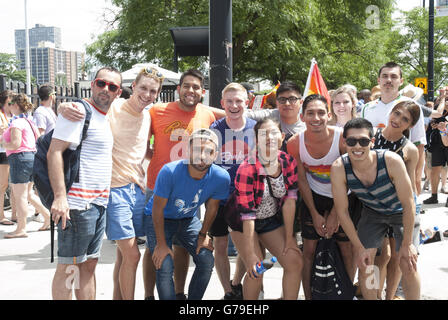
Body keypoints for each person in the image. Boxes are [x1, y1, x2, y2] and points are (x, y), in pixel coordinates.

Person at [58, 67, 164, 300]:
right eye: (143, 88)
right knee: (132, 254)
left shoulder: (149, 115)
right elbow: (85, 106)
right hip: (112, 191)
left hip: (137, 189)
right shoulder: (114, 107)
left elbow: (142, 149)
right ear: (132, 87)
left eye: (152, 91)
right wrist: (63, 106)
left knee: (122, 256)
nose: (147, 94)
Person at [143, 69, 218, 300]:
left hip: (190, 191)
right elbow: (143, 143)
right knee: (153, 247)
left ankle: (179, 293)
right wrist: (156, 161)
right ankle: (148, 295)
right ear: (179, 89)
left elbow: (236, 111)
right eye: (186, 86)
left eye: (196, 87)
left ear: (202, 92)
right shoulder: (156, 111)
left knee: (183, 246)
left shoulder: (207, 114)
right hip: (156, 187)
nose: (191, 91)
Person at [49, 67, 122, 300]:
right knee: (70, 267)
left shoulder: (103, 115)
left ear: (118, 92)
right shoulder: (79, 111)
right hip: (77, 206)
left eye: (112, 87)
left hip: (98, 204)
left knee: (89, 266)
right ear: (92, 84)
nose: (105, 89)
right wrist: (60, 197)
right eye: (101, 83)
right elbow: (54, 152)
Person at [331, 118, 421, 300]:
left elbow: (408, 203)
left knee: (407, 262)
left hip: (401, 211)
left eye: (363, 141)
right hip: (373, 212)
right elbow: (342, 212)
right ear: (344, 142)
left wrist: (407, 244)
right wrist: (360, 247)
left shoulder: (391, 161)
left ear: (372, 142)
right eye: (351, 141)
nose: (358, 146)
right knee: (366, 264)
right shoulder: (339, 167)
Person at [145, 128, 230, 300]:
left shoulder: (221, 177)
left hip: (188, 219)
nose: (202, 156)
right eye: (197, 149)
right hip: (161, 218)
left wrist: (203, 234)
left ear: (216, 154)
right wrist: (161, 245)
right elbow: (157, 209)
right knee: (165, 263)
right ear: (188, 150)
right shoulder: (170, 171)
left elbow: (212, 208)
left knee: (206, 259)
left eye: (209, 151)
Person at [286, 94, 355, 300]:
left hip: (343, 196)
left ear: (329, 115)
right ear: (302, 116)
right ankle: (309, 297)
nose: (316, 118)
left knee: (346, 249)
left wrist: (336, 213)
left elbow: (350, 178)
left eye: (321, 113)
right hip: (314, 197)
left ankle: (347, 294)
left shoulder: (342, 138)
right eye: (310, 113)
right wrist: (315, 214)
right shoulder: (294, 143)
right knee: (308, 250)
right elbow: (302, 181)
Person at [231, 118, 303, 300]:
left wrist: (288, 239)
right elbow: (247, 215)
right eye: (263, 134)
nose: (269, 137)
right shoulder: (247, 168)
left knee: (294, 261)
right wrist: (250, 253)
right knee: (257, 269)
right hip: (242, 222)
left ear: (282, 136)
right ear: (256, 139)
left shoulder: (288, 162)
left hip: (270, 219)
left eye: (273, 132)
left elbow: (289, 202)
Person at [208, 83, 256, 300]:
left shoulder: (256, 128)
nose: (234, 105)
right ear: (222, 104)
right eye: (230, 101)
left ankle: (237, 283)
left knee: (247, 245)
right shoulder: (214, 130)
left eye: (239, 101)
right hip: (218, 198)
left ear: (247, 103)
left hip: (246, 198)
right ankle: (228, 291)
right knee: (220, 243)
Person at [372, 100, 421, 300]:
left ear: (410, 125)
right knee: (379, 257)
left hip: (398, 208)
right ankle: (373, 296)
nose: (398, 120)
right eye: (397, 113)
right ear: (390, 112)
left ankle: (389, 297)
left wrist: (412, 216)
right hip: (372, 208)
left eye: (405, 119)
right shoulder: (370, 137)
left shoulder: (410, 149)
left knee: (399, 257)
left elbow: (410, 187)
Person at [361, 62, 426, 196]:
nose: (389, 80)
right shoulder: (366, 108)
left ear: (401, 81)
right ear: (379, 80)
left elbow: (419, 144)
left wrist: (417, 179)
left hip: (399, 176)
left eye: (394, 76)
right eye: (385, 76)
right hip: (370, 176)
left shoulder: (412, 107)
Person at [0, 93, 50, 238]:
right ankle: (47, 217)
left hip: (19, 158)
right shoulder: (29, 121)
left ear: (15, 105)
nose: (8, 107)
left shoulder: (16, 123)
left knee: (20, 194)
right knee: (28, 194)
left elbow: (15, 144)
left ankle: (21, 228)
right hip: (31, 157)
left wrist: (3, 143)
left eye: (10, 104)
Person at [423, 89, 448, 205]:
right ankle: (434, 196)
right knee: (435, 169)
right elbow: (436, 116)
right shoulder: (439, 106)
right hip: (437, 142)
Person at [0, 90, 15, 226]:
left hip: (13, 151)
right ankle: (1, 215)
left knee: (13, 184)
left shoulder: (13, 114)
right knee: (3, 185)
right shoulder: (1, 115)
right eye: (10, 102)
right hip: (3, 151)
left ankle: (15, 213)